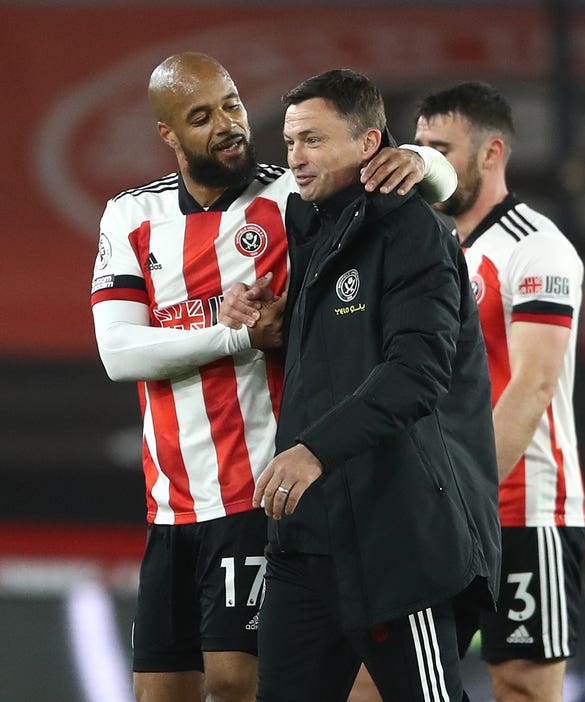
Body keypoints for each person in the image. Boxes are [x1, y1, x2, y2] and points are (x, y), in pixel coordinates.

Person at [89, 52, 457, 702]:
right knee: (159, 692)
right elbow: (119, 352)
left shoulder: (290, 194)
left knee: (239, 681)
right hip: (172, 501)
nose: (229, 124)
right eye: (202, 117)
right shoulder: (129, 217)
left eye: (232, 103)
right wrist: (234, 334)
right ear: (168, 134)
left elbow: (432, 192)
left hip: (262, 487)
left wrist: (425, 162)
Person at [225, 68, 501, 702]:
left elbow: (417, 374)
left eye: (314, 141)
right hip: (306, 536)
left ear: (370, 145)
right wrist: (258, 311)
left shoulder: (414, 234)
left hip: (395, 538)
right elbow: (330, 348)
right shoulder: (306, 219)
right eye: (291, 141)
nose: (295, 158)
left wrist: (313, 449)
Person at [414, 82, 585, 702]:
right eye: (419, 145)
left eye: (441, 147)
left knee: (521, 686)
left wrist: (464, 499)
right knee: (383, 682)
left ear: (491, 152)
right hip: (437, 510)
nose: (424, 161)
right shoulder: (429, 248)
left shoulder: (536, 247)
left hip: (521, 506)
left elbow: (534, 383)